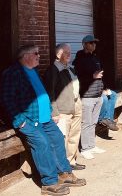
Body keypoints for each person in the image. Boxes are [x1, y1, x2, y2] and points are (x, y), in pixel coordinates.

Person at [0, 44, 85, 195]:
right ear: (25, 56)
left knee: (58, 138)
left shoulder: (34, 71)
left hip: (45, 118)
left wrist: (50, 111)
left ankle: (64, 173)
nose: (39, 56)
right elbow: (6, 99)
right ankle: (49, 183)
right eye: (36, 53)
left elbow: (42, 92)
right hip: (29, 120)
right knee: (42, 143)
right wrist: (20, 121)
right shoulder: (12, 73)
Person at [43, 43, 85, 171]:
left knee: (74, 135)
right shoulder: (53, 70)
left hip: (76, 105)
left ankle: (71, 161)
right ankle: (62, 166)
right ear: (58, 54)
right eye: (65, 52)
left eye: (70, 52)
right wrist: (54, 112)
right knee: (63, 138)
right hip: (62, 109)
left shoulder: (70, 68)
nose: (69, 54)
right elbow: (50, 93)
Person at [73, 35, 107, 160]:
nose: (94, 45)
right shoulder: (79, 60)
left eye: (94, 42)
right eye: (91, 43)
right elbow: (78, 78)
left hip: (98, 94)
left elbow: (101, 75)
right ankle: (85, 148)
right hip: (87, 96)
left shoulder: (95, 58)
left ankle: (92, 145)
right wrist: (92, 77)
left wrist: (104, 88)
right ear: (84, 44)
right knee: (86, 123)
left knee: (93, 122)